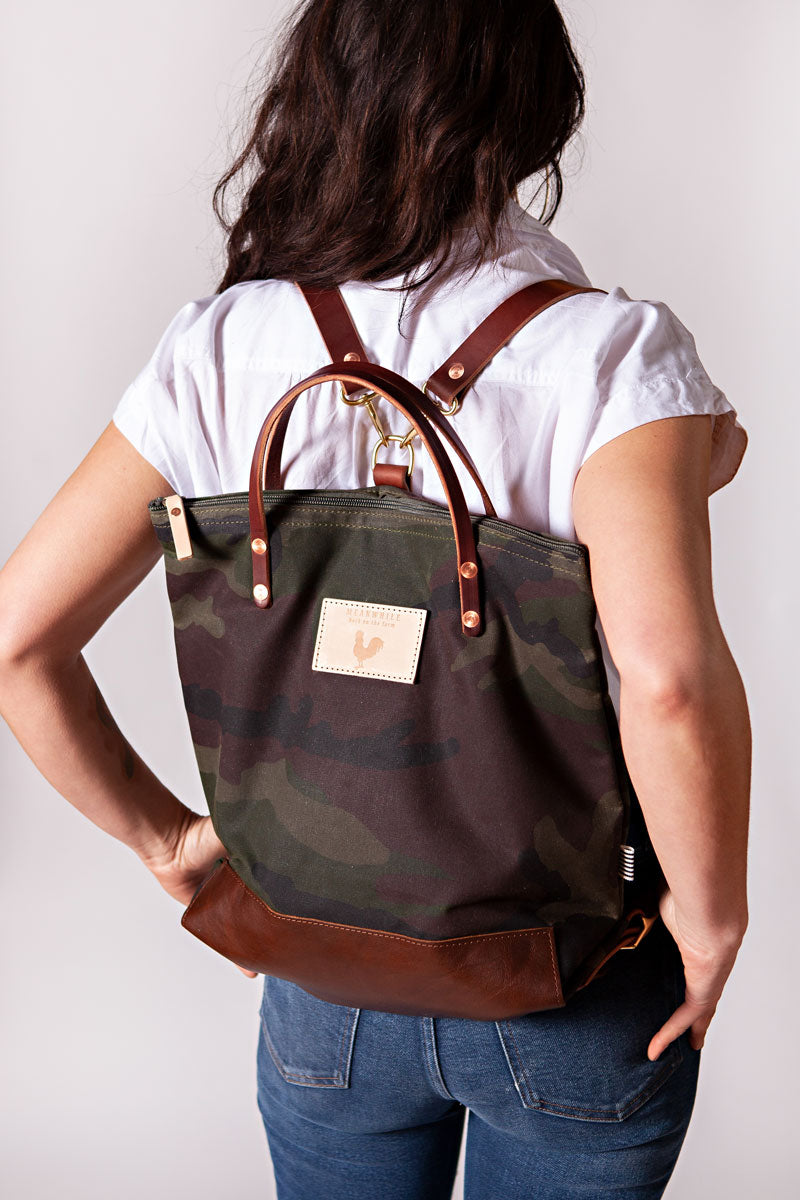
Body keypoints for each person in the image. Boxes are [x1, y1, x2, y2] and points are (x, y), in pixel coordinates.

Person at [0, 2, 750, 1197]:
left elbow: (17, 642)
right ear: (536, 106)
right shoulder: (608, 360)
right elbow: (664, 682)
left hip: (322, 980)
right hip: (571, 977)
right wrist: (709, 924)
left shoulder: (219, 349)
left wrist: (170, 844)